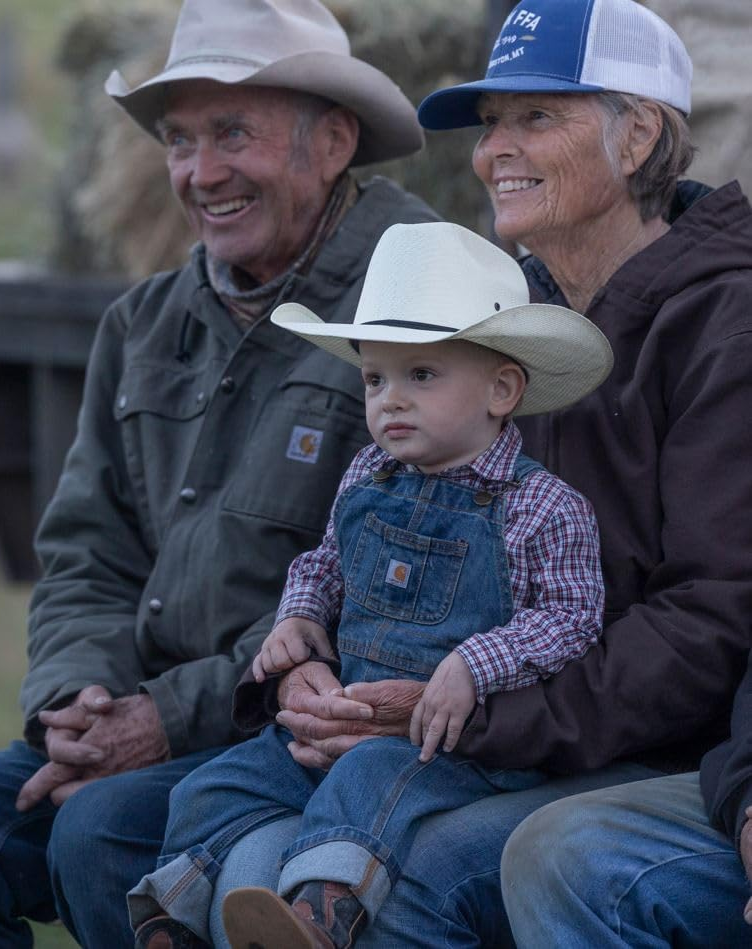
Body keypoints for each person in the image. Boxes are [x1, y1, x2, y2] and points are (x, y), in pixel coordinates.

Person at [0, 0, 436, 945]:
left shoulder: (412, 301)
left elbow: (384, 590)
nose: (200, 174)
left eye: (231, 134)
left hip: (296, 733)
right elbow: (86, 550)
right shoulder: (142, 323)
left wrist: (165, 719)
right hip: (142, 722)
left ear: (333, 140)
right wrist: (76, 699)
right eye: (179, 141)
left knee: (100, 830)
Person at [217, 0, 752, 945]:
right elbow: (394, 535)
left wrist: (463, 715)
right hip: (486, 723)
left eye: (533, 118)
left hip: (641, 746)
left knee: (414, 878)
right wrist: (318, 661)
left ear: (636, 137)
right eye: (489, 122)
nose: (491, 149)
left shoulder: (726, 325)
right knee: (249, 864)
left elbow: (712, 615)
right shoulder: (507, 307)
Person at [127, 220, 612, 949]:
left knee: (368, 781)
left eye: (421, 375)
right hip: (344, 709)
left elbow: (572, 616)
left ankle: (322, 914)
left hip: (450, 750)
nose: (390, 400)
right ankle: (177, 910)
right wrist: (295, 621)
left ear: (501, 388)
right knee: (220, 778)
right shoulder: (365, 475)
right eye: (374, 378)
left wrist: (473, 663)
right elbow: (325, 562)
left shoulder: (541, 505)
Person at [498, 649, 752, 946]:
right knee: (553, 853)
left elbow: (685, 645)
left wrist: (487, 717)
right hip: (725, 778)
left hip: (662, 749)